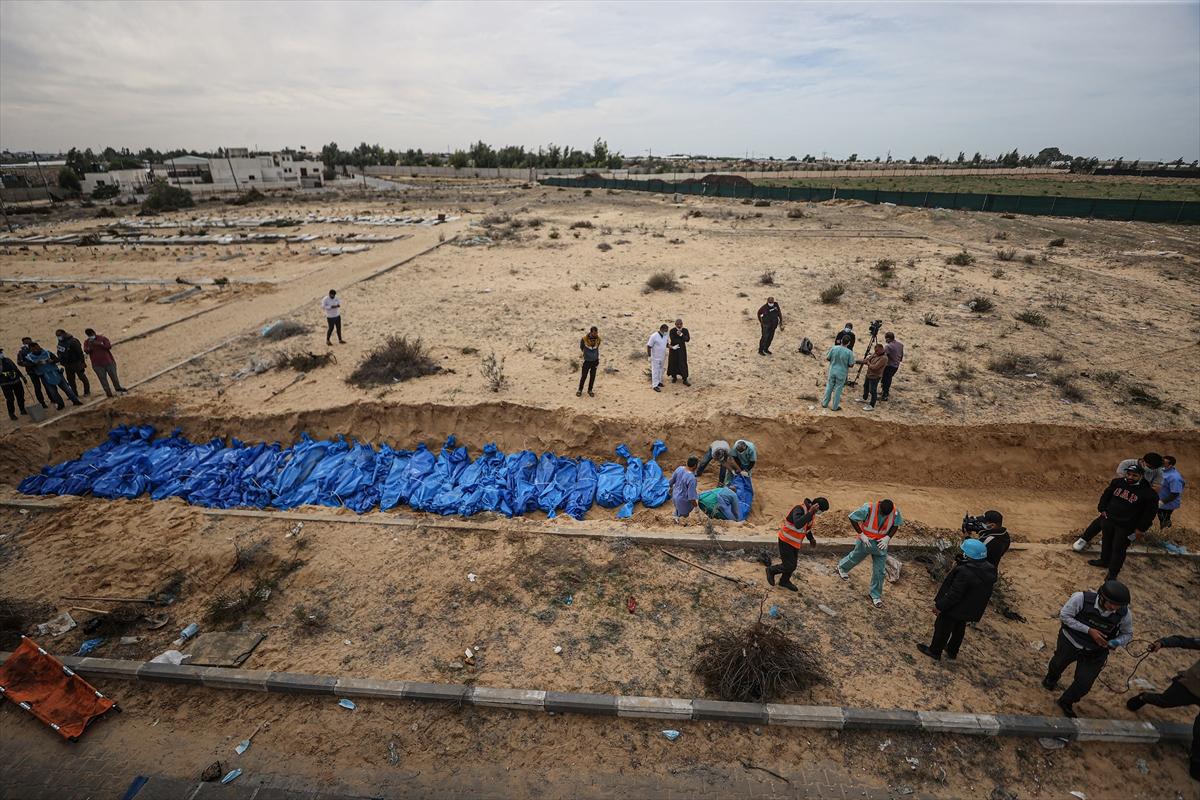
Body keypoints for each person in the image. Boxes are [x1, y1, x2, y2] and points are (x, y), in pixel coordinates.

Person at [1042, 580, 1133, 717]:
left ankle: (1066, 701)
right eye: (1111, 604)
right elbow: (1065, 616)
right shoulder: (1081, 598)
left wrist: (1114, 642)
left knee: (1084, 683)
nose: (1114, 608)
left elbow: (1127, 633)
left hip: (1096, 651)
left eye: (1118, 605)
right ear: (1101, 597)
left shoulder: (1124, 614)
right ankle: (1051, 678)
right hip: (1070, 641)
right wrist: (1089, 631)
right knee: (1057, 663)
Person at [1126, 633, 1199, 781]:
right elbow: (1184, 640)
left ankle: (1197, 760)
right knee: (1164, 702)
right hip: (1190, 686)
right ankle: (1144, 697)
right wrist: (1162, 642)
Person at [917, 538, 997, 661]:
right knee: (959, 628)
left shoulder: (965, 572)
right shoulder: (989, 569)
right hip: (969, 609)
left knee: (942, 627)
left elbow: (954, 594)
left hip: (955, 607)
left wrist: (940, 606)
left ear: (969, 554)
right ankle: (952, 650)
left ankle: (934, 651)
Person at [1073, 453, 1163, 551]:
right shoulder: (1126, 463)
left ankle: (1110, 541)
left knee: (1128, 526)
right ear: (1142, 461)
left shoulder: (1158, 471)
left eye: (1154, 468)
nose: (1151, 470)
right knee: (1103, 519)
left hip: (1136, 502)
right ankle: (1084, 539)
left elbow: (1156, 489)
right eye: (1149, 467)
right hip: (1119, 497)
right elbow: (1122, 483)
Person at [1088, 463, 1158, 580]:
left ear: (1141, 476)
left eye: (1134, 475)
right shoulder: (1117, 482)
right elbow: (1106, 495)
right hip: (1109, 519)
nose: (1130, 477)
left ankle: (1113, 573)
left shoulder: (1149, 494)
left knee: (1118, 549)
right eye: (1129, 474)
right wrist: (1102, 509)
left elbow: (1149, 514)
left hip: (1127, 526)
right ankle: (1104, 561)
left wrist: (1141, 529)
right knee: (1106, 542)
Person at [836, 499, 903, 608]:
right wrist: (861, 534)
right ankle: (842, 567)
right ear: (880, 506)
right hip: (866, 541)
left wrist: (887, 537)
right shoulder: (868, 508)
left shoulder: (895, 512)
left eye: (886, 514)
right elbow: (852, 518)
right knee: (855, 557)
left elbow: (895, 526)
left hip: (881, 544)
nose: (883, 515)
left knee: (880, 571)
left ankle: (875, 595)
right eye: (882, 513)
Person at [766, 497, 829, 592]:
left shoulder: (811, 513)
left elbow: (806, 528)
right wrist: (810, 512)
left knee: (793, 565)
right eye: (821, 511)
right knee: (789, 565)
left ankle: (784, 581)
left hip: (794, 543)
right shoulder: (799, 509)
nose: (820, 513)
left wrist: (811, 538)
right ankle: (771, 570)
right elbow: (798, 524)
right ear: (816, 506)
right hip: (786, 540)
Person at [24, 342, 82, 410]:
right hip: (44, 376)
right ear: (30, 350)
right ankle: (60, 404)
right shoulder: (29, 357)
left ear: (39, 346)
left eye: (37, 347)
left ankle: (75, 401)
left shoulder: (47, 352)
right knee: (53, 392)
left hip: (56, 372)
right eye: (33, 349)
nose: (36, 349)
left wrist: (52, 361)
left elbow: (57, 359)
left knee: (67, 388)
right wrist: (35, 364)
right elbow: (28, 367)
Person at [83, 329, 127, 397]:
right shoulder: (87, 342)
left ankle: (118, 388)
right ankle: (108, 392)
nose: (91, 336)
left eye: (91, 334)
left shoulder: (102, 338)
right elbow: (86, 350)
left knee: (114, 377)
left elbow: (108, 346)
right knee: (103, 379)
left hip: (109, 362)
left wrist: (98, 343)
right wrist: (91, 346)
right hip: (97, 365)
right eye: (89, 335)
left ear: (94, 333)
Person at [822, 338, 855, 411]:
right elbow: (851, 364)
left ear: (841, 341)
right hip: (842, 373)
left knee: (829, 387)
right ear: (848, 343)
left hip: (832, 370)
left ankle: (825, 403)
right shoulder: (849, 352)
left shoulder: (834, 348)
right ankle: (834, 407)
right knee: (838, 389)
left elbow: (828, 358)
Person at [55, 329, 90, 398]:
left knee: (82, 377)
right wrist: (62, 361)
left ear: (64, 333)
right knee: (70, 380)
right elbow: (59, 352)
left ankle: (87, 391)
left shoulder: (73, 341)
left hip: (76, 362)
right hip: (67, 364)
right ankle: (74, 394)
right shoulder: (60, 342)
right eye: (57, 336)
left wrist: (82, 362)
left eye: (59, 335)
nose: (58, 337)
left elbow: (80, 352)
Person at [16, 337, 49, 409]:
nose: (28, 343)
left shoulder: (36, 347)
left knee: (47, 385)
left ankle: (51, 398)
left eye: (29, 341)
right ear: (24, 343)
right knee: (37, 387)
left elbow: (44, 354)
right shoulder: (21, 352)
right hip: (32, 372)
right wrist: (31, 364)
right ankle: (42, 403)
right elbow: (20, 362)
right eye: (26, 342)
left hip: (41, 369)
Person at [1, 347, 29, 421]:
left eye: (1, 352)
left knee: (20, 396)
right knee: (10, 399)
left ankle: (22, 409)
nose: (1, 354)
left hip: (16, 381)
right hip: (5, 384)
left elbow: (15, 368)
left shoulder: (8, 360)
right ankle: (11, 413)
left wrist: (22, 377)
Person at [858, 343, 888, 411]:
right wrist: (856, 361)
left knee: (872, 391)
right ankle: (864, 398)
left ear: (881, 349)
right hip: (869, 374)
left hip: (875, 376)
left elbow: (874, 367)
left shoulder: (884, 358)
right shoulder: (875, 354)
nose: (875, 352)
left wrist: (868, 363)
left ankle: (872, 405)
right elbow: (867, 360)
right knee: (865, 386)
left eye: (877, 351)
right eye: (875, 351)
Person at [1157, 456, 1184, 529]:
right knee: (1161, 518)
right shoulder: (1163, 470)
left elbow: (1175, 494)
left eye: (1163, 463)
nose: (1161, 463)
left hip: (1167, 504)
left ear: (1170, 465)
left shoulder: (1174, 477)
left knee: (1164, 519)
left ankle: (1166, 535)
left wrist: (1161, 502)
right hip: (1161, 500)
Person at [880, 332, 904, 401]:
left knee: (886, 379)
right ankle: (884, 392)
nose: (885, 340)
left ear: (888, 338)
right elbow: (901, 355)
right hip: (896, 365)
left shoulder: (888, 346)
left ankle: (885, 394)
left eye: (886, 339)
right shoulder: (900, 345)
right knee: (888, 379)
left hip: (889, 365)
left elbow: (883, 355)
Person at [577, 326, 600, 397]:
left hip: (595, 361)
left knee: (592, 377)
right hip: (587, 361)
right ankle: (580, 390)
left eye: (596, 333)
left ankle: (590, 390)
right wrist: (586, 354)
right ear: (591, 332)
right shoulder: (584, 339)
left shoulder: (598, 339)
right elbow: (582, 347)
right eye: (594, 333)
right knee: (584, 376)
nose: (596, 334)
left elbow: (597, 347)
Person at [646, 323, 669, 392]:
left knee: (661, 370)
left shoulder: (665, 336)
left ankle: (659, 382)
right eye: (665, 330)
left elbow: (666, 344)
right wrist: (649, 356)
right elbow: (649, 346)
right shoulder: (654, 336)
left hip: (662, 356)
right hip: (655, 357)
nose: (666, 332)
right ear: (661, 329)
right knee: (655, 370)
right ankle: (655, 385)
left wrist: (672, 347)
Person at [668, 319, 690, 385]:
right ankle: (674, 377)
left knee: (683, 362)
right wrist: (681, 340)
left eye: (680, 324)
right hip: (674, 349)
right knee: (673, 362)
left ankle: (685, 379)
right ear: (675, 324)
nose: (679, 325)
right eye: (678, 324)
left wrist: (681, 335)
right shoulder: (672, 331)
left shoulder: (685, 330)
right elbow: (673, 340)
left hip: (682, 350)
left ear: (682, 324)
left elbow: (687, 339)